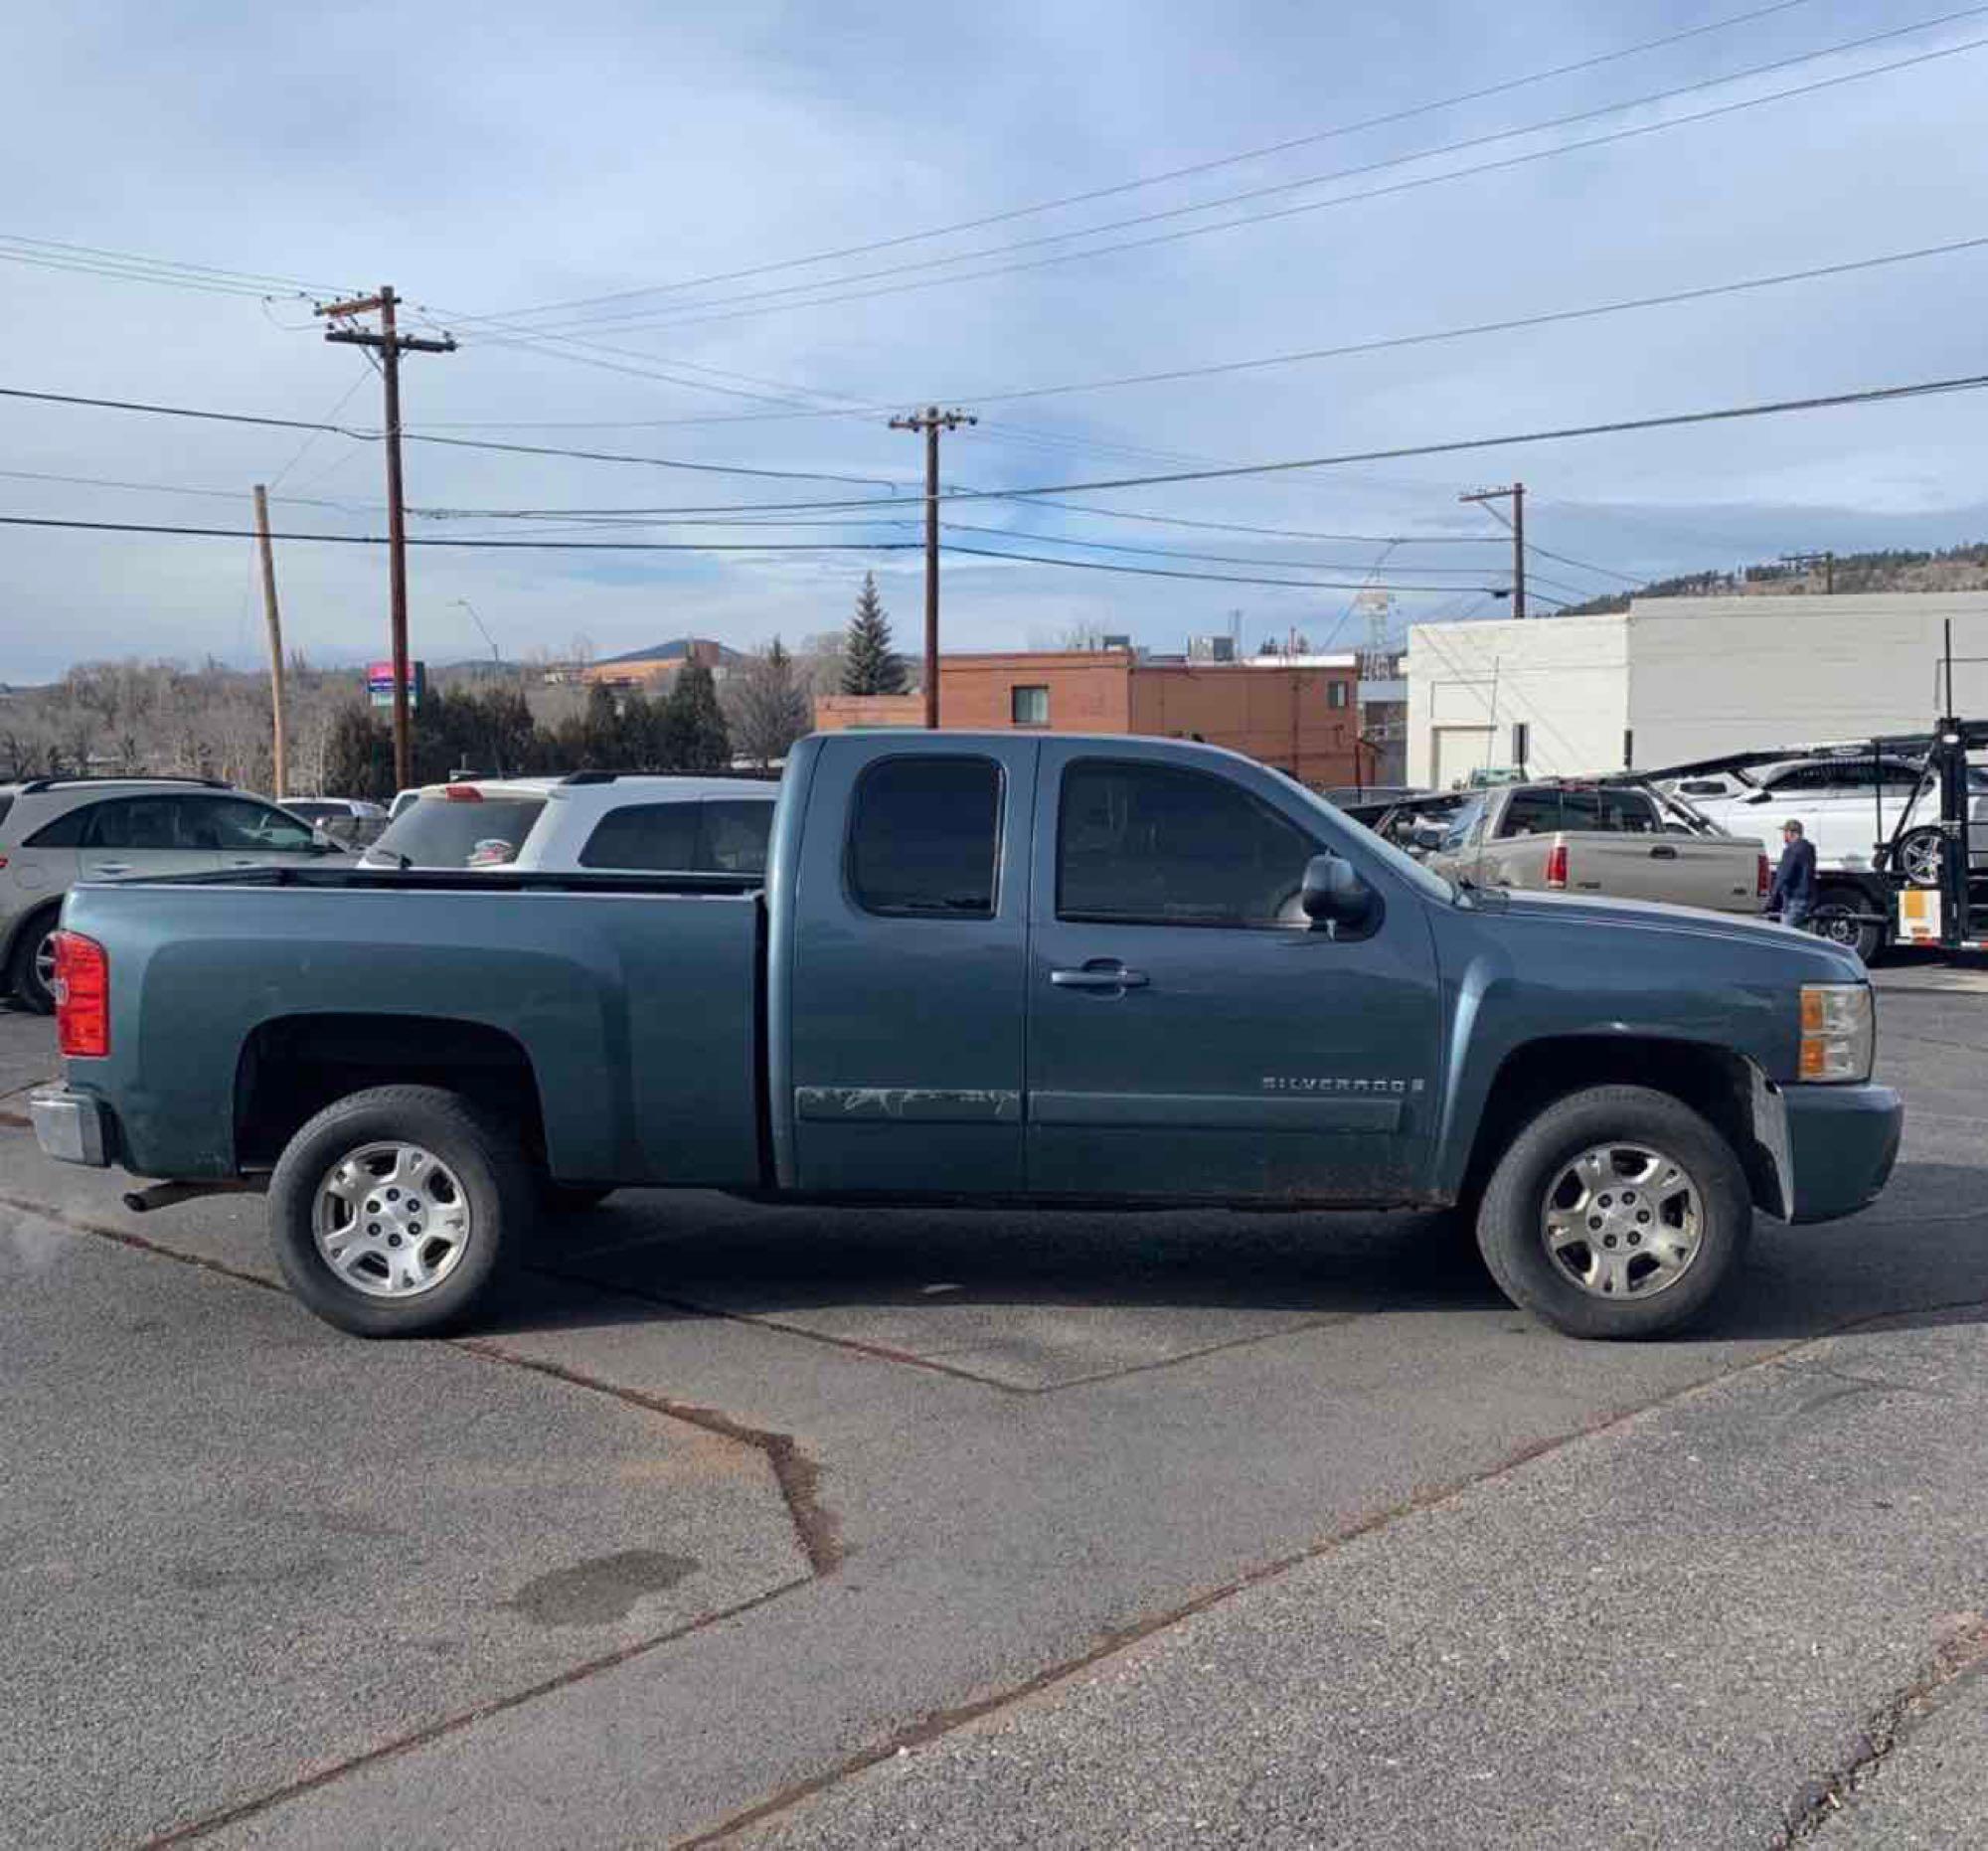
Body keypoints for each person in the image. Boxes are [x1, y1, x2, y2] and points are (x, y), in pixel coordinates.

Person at [1767, 818, 1817, 929]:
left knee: (1786, 933)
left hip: (1794, 898)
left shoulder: (1791, 850)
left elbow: (1784, 875)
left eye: (1785, 832)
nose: (1784, 836)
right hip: (1806, 898)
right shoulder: (1809, 848)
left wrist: (1772, 897)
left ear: (1792, 833)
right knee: (1799, 932)